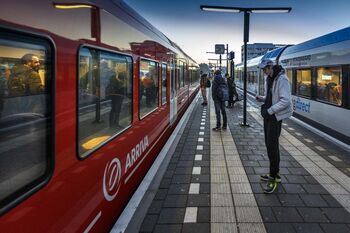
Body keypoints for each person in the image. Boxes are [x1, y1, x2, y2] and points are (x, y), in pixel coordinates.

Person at [256, 59, 293, 194]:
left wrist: (270, 110)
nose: (263, 72)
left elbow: (286, 101)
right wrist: (262, 98)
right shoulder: (270, 79)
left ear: (270, 67)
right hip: (269, 116)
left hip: (275, 117)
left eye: (265, 69)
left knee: (272, 145)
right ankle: (273, 172)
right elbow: (272, 97)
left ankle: (274, 176)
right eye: (262, 70)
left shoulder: (281, 79)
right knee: (269, 144)